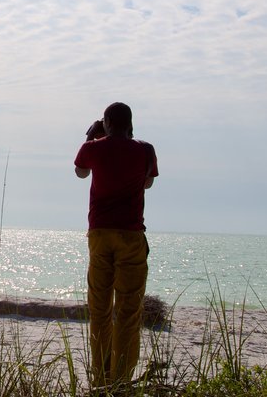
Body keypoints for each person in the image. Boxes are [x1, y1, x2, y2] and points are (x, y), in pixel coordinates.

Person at [74, 102, 158, 390]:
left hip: (99, 235)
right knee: (128, 309)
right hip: (131, 235)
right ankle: (120, 379)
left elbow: (81, 173)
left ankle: (100, 378)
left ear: (106, 122)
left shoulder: (93, 148)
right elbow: (147, 184)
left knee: (99, 309)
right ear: (130, 123)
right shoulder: (145, 150)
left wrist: (91, 137)